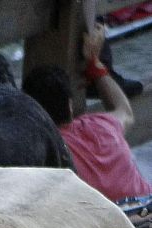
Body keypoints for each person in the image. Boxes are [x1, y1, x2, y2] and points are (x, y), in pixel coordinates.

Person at [22, 23, 152, 203]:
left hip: (113, 224)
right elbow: (124, 110)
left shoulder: (48, 151)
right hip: (146, 208)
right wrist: (95, 65)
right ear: (69, 105)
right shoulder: (102, 125)